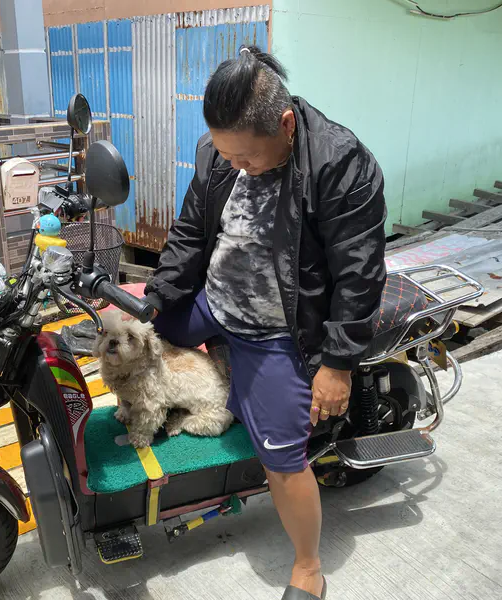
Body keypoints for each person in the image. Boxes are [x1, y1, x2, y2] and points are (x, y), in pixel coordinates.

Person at [142, 45, 387, 600]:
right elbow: (189, 233)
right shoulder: (219, 151)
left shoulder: (341, 164)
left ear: (285, 124)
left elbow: (359, 275)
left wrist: (337, 366)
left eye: (247, 158)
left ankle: (309, 567)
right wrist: (156, 298)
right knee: (139, 340)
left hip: (279, 329)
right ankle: (221, 369)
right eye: (226, 155)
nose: (235, 166)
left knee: (280, 459)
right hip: (216, 300)